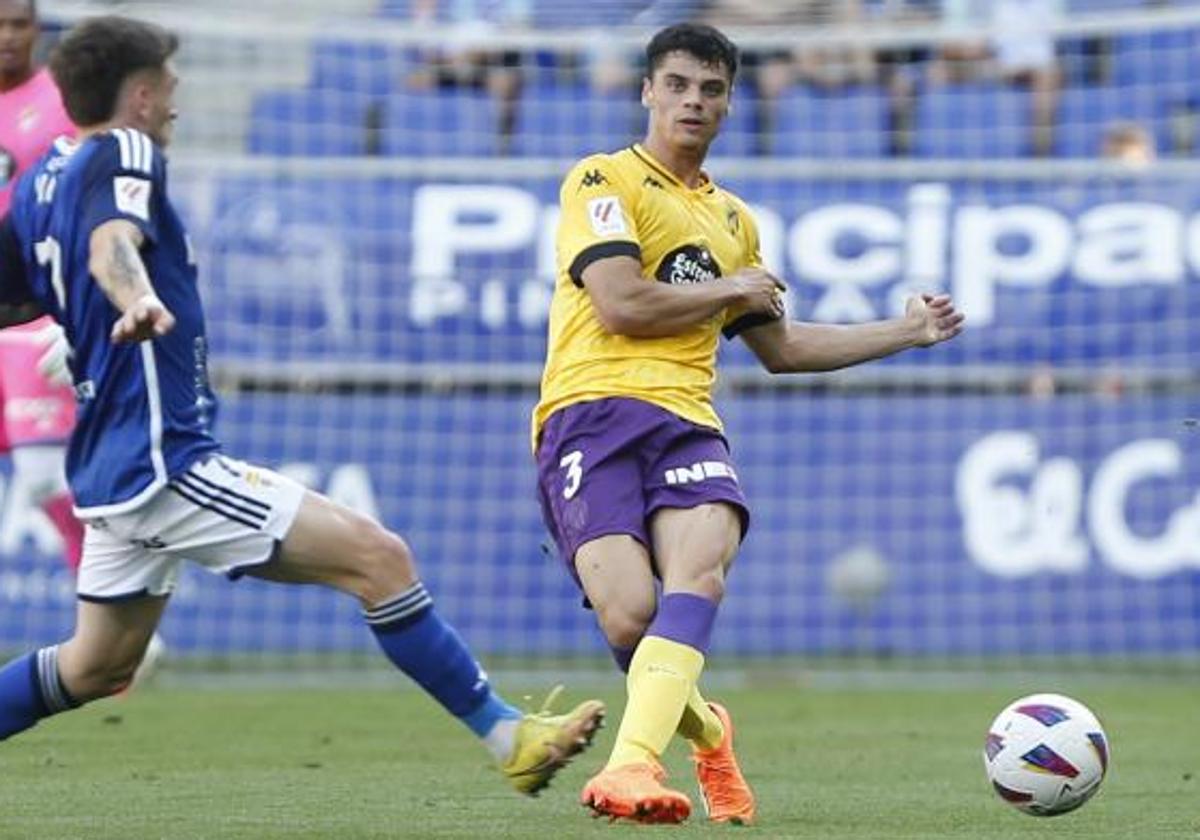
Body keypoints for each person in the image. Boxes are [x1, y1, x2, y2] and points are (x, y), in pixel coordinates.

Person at [0, 15, 604, 796]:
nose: (178, 101)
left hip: (111, 464)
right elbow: (109, 243)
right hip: (163, 462)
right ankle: (509, 737)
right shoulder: (128, 149)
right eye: (171, 85)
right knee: (379, 559)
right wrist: (133, 297)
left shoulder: (44, 171)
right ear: (141, 93)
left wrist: (82, 322)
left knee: (94, 665)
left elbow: (13, 293)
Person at [534, 23, 964, 824]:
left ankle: (632, 766)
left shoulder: (735, 221)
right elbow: (622, 303)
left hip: (687, 422)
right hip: (588, 415)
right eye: (678, 85)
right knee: (629, 614)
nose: (693, 101)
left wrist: (905, 331)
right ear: (648, 92)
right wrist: (729, 289)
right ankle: (708, 729)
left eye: (711, 89)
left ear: (729, 104)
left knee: (700, 574)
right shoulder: (602, 179)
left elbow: (784, 347)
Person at [0, 0, 85, 578]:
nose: (8, 36)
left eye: (19, 24)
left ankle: (107, 602)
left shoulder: (61, 102)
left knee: (43, 476)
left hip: (32, 311)